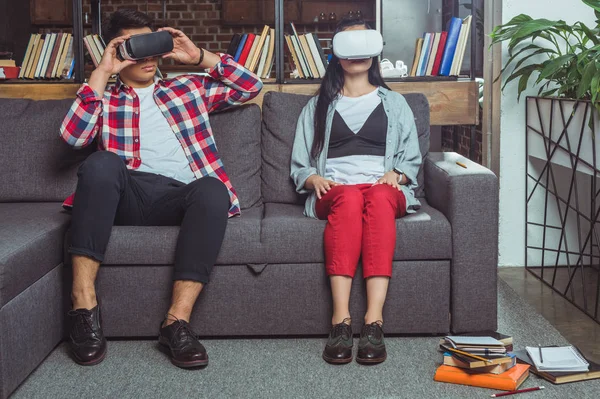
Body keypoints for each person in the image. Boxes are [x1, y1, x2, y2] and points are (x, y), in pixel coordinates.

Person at [60, 9, 262, 368]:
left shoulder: (188, 88)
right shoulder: (103, 98)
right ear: (118, 52)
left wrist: (199, 57)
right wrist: (103, 72)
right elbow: (74, 136)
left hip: (179, 196)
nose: (149, 57)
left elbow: (251, 86)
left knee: (214, 190)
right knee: (102, 162)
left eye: (152, 45)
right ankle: (83, 308)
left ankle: (176, 324)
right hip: (127, 194)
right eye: (136, 48)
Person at [290, 18, 422, 365]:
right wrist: (313, 179)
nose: (357, 50)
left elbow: (411, 160)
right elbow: (299, 165)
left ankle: (374, 323)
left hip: (381, 189)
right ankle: (340, 322)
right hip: (336, 191)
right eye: (349, 43)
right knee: (348, 197)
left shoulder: (395, 104)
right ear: (336, 54)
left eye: (364, 42)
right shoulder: (317, 106)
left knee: (377, 198)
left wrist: (397, 174)